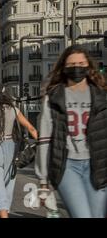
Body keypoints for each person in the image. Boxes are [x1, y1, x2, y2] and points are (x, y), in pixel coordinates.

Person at [35, 45, 107, 218]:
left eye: (81, 63)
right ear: (64, 68)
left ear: (89, 66)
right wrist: (43, 180)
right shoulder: (53, 97)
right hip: (67, 166)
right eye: (72, 64)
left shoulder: (101, 96)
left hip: (97, 166)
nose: (77, 67)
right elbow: (44, 139)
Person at [0, 82, 38, 218]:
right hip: (11, 146)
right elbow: (31, 128)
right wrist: (43, 144)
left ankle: (3, 213)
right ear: (4, 93)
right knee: (9, 183)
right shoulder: (13, 109)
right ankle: (4, 212)